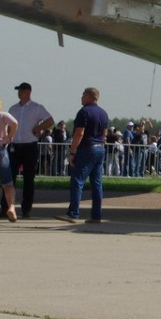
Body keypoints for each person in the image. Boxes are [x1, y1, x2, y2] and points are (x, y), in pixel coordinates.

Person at [59, 87, 109, 224]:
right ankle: (96, 215)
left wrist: (72, 151)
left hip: (87, 148)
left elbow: (79, 133)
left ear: (88, 96)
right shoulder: (103, 113)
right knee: (97, 183)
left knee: (77, 180)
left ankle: (73, 213)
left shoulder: (84, 112)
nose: (81, 97)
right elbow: (104, 134)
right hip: (99, 148)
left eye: (83, 95)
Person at [6, 82, 54, 219]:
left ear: (28, 92)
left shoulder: (36, 107)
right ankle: (7, 207)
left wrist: (38, 128)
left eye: (21, 91)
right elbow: (8, 125)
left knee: (28, 179)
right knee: (9, 178)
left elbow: (50, 120)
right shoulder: (13, 109)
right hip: (15, 145)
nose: (19, 93)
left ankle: (26, 209)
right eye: (18, 91)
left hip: (30, 146)